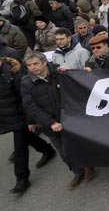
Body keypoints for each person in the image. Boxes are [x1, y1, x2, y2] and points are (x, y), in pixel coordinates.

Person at [21, 52, 94, 190]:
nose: (33, 68)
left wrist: (86, 72)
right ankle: (77, 172)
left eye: (36, 64)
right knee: (63, 151)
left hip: (69, 118)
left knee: (78, 144)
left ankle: (88, 167)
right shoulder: (26, 83)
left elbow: (76, 79)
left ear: (44, 63)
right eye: (29, 65)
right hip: (49, 124)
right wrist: (50, 122)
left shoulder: (59, 72)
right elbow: (30, 106)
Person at [0, 52, 56, 195]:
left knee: (19, 147)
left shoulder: (13, 72)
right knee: (27, 137)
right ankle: (47, 150)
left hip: (19, 114)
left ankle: (22, 179)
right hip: (6, 115)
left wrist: (30, 119)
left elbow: (26, 98)